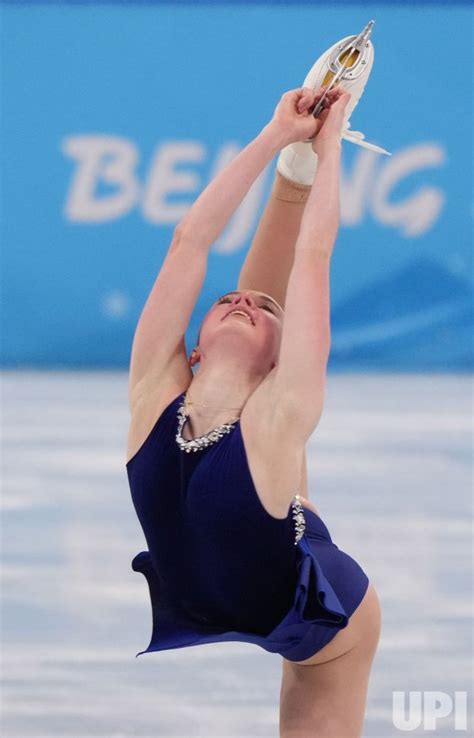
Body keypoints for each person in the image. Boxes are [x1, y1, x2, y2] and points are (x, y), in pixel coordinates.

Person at [126, 74, 382, 737]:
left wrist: (330, 152)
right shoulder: (155, 390)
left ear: (278, 358)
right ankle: (287, 179)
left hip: (324, 617)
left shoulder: (280, 409)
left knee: (272, 447)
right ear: (197, 347)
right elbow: (189, 240)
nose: (242, 301)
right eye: (230, 301)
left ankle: (296, 181)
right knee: (268, 478)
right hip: (250, 526)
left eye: (264, 313)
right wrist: (276, 136)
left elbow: (313, 259)